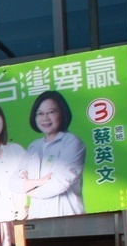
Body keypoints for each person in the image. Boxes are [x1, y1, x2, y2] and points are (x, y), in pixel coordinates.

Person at [17, 91, 85, 219]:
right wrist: (40, 181)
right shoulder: (34, 146)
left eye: (51, 112)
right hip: (37, 218)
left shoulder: (72, 142)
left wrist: (28, 187)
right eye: (40, 113)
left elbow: (59, 183)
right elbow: (13, 182)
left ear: (62, 113)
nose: (45, 118)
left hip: (68, 217)